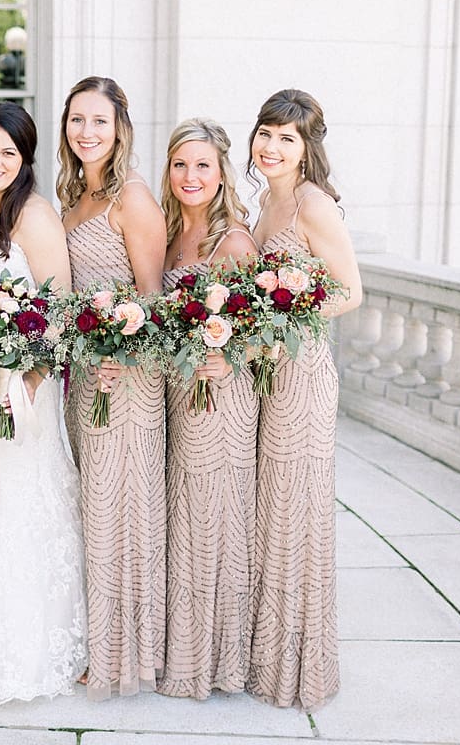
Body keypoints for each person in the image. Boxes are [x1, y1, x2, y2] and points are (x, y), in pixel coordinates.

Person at [0, 102, 87, 705]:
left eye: (9, 152)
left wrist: (28, 378)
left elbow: (59, 308)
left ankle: (27, 646)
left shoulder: (34, 216)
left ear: (25, 158)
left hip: (21, 387)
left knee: (20, 497)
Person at [246, 89, 362, 709]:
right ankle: (266, 656)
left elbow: (350, 291)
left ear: (307, 147)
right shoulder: (266, 201)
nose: (271, 147)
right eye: (265, 133)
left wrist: (284, 315)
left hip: (302, 376)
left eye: (286, 138)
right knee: (271, 511)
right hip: (265, 377)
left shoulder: (313, 204)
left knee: (297, 513)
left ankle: (300, 669)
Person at [57, 76, 168, 700]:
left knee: (122, 512)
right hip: (84, 378)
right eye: (77, 120)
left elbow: (153, 299)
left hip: (128, 381)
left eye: (99, 121)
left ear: (119, 128)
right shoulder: (72, 198)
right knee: (91, 512)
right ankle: (98, 642)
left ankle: (124, 656)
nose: (86, 132)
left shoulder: (133, 197)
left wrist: (125, 356)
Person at [156, 118, 259, 700]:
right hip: (177, 393)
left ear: (221, 173)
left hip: (219, 400)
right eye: (180, 165)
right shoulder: (172, 236)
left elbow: (259, 329)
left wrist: (230, 359)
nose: (190, 176)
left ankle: (215, 662)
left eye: (202, 165)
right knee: (187, 521)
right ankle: (186, 648)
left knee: (213, 523)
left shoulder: (233, 242)